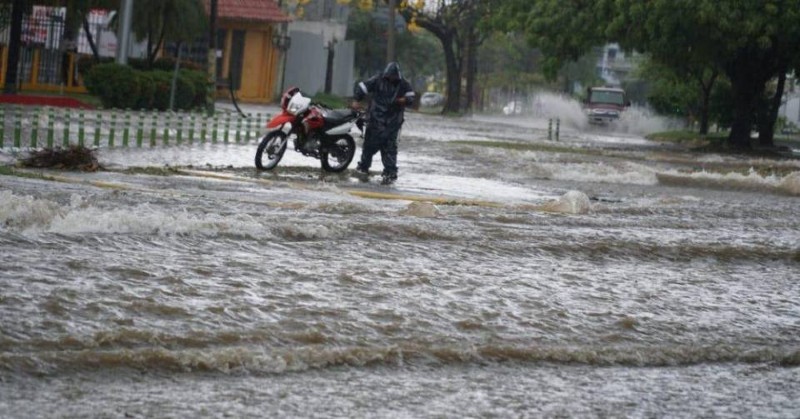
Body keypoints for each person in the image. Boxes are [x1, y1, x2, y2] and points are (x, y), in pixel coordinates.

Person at [351, 62, 415, 185]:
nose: (391, 79)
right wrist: (356, 100)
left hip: (393, 122)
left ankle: (390, 174)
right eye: (389, 76)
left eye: (393, 76)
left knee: (390, 149)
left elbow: (411, 97)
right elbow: (362, 87)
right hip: (375, 119)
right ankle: (363, 169)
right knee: (369, 146)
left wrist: (405, 100)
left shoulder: (403, 84)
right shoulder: (377, 79)